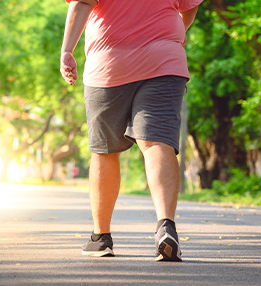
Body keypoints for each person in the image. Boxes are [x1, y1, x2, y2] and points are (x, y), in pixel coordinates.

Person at [59, 0, 201, 261]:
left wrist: (67, 50)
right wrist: (172, 33)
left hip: (110, 61)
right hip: (164, 60)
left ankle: (101, 238)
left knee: (105, 150)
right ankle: (166, 226)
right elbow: (190, 6)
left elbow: (82, 4)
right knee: (157, 142)